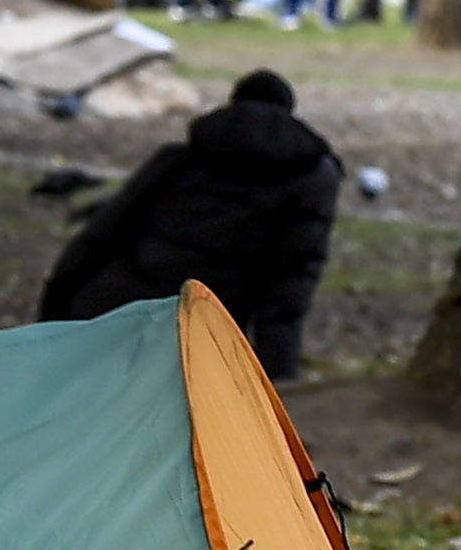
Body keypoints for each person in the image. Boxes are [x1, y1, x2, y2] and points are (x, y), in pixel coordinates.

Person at [35, 69, 340, 379]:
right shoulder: (311, 181)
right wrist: (279, 381)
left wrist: (54, 315)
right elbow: (290, 288)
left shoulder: (181, 159)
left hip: (118, 312)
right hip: (200, 336)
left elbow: (101, 236)